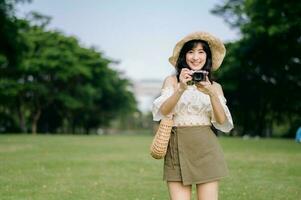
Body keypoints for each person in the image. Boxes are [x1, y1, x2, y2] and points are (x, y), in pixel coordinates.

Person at [152, 31, 234, 200]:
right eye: (191, 51)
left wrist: (211, 93)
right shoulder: (172, 81)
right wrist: (181, 89)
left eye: (201, 52)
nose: (195, 57)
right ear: (184, 56)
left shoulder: (215, 86)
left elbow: (221, 121)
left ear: (207, 57)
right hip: (176, 147)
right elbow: (163, 112)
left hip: (206, 149)